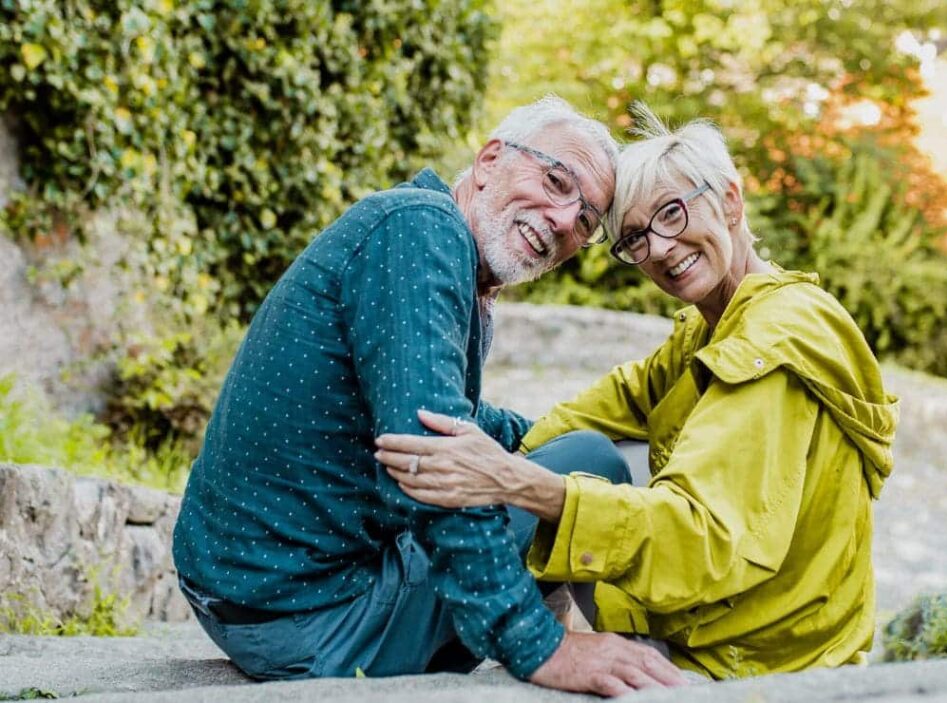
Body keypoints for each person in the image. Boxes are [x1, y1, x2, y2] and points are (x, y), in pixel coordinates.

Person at [172, 96, 687, 696]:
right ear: (491, 159)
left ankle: (622, 647)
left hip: (255, 603)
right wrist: (538, 648)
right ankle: (658, 663)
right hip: (311, 618)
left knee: (574, 450)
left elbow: (457, 418)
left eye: (587, 221)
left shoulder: (432, 247)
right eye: (555, 181)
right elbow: (433, 455)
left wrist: (541, 437)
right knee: (597, 465)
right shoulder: (422, 229)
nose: (563, 220)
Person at [376, 104, 900, 679]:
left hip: (750, 650)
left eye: (672, 214)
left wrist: (523, 483)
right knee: (596, 451)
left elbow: (704, 536)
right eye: (634, 238)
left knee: (582, 482)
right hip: (751, 615)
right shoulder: (714, 322)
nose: (658, 249)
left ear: (730, 200)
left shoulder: (770, 340)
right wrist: (501, 458)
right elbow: (614, 402)